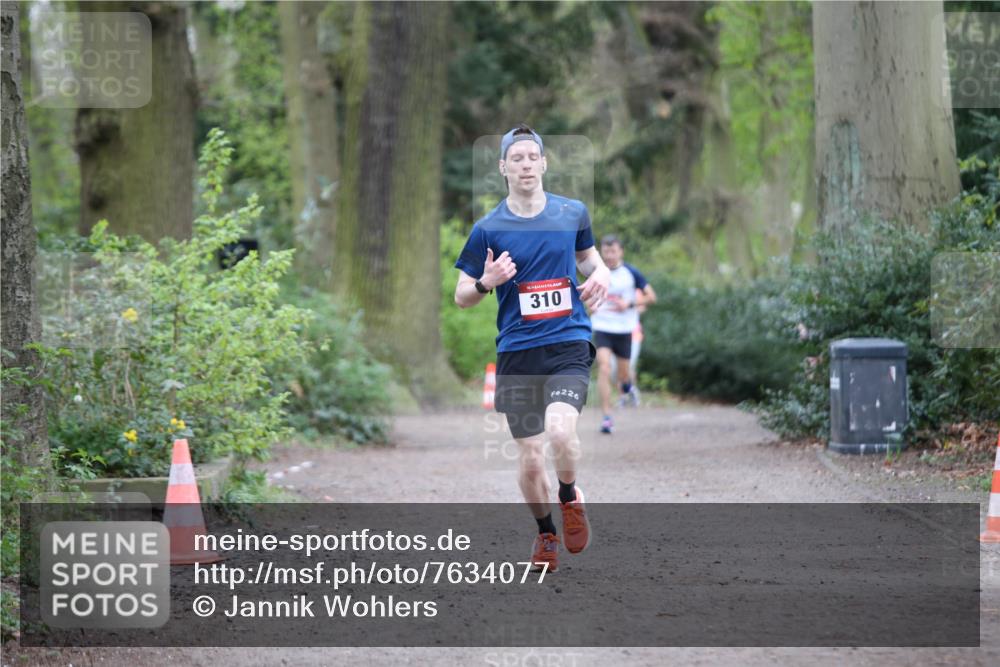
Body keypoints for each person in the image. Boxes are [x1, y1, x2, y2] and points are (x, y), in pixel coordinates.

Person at [454, 124, 610, 572]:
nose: (525, 165)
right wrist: (487, 282)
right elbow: (462, 295)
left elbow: (589, 258)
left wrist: (601, 274)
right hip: (518, 351)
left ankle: (569, 496)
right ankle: (545, 534)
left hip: (567, 342)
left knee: (560, 432)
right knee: (529, 459)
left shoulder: (572, 212)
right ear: (503, 167)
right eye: (516, 158)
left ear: (544, 163)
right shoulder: (487, 229)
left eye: (531, 157)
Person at [589, 235, 656, 433]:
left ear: (621, 252)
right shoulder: (595, 272)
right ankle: (607, 417)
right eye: (606, 251)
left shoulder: (631, 273)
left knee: (623, 376)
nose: (609, 256)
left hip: (625, 330)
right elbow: (588, 297)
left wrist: (629, 304)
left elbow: (651, 297)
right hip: (602, 327)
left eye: (613, 251)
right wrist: (591, 304)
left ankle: (627, 387)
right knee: (604, 367)